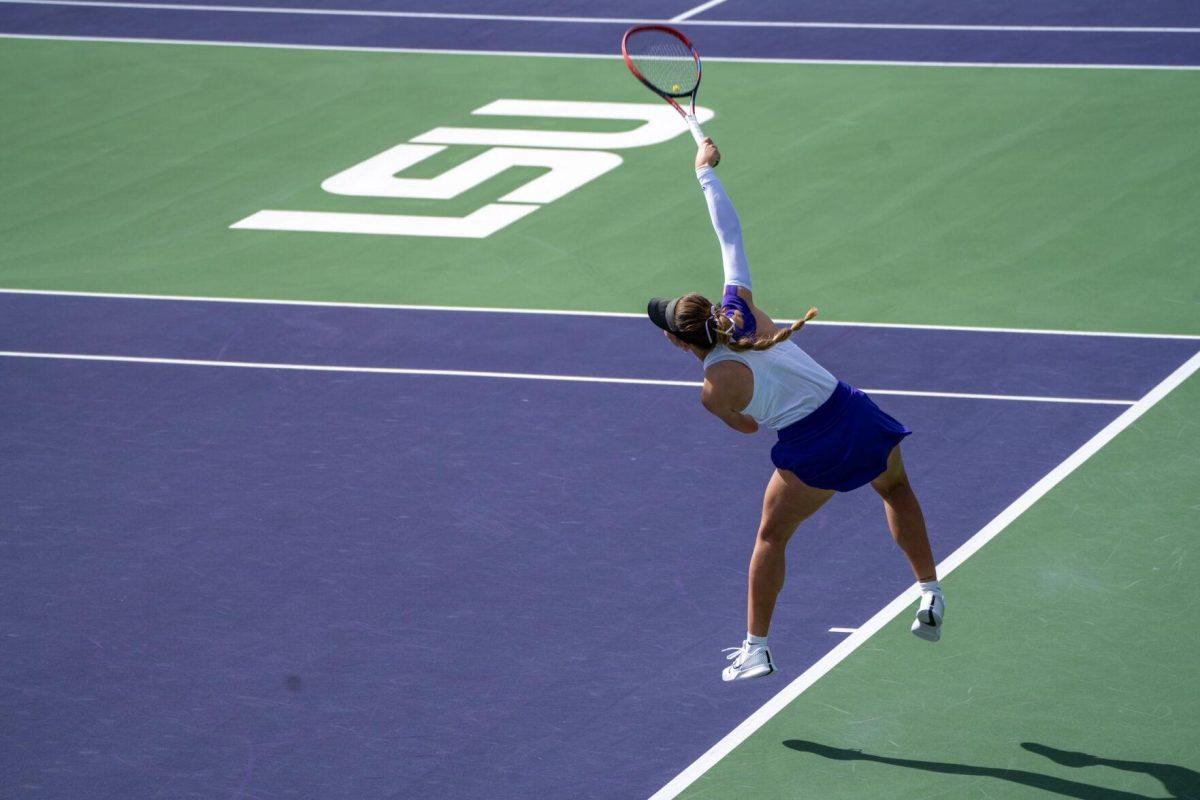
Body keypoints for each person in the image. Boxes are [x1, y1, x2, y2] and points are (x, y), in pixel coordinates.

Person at [646, 139, 945, 682]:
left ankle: (756, 648)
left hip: (809, 449)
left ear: (677, 343)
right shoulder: (740, 307)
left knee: (771, 537)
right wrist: (705, 174)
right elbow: (728, 235)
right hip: (853, 412)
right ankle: (929, 592)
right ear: (711, 312)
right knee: (895, 489)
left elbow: (749, 426)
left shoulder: (714, 388)